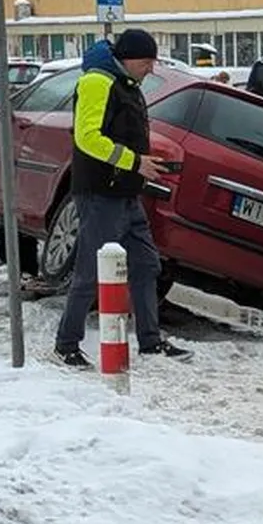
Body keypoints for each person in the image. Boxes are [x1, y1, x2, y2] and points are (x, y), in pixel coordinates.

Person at [53, 28, 189, 368]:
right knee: (89, 271)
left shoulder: (126, 83)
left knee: (146, 264)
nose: (150, 69)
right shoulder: (98, 82)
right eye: (146, 62)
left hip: (126, 192)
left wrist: (144, 165)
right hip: (101, 193)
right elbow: (87, 138)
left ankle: (150, 341)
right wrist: (134, 162)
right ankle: (66, 343)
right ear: (128, 59)